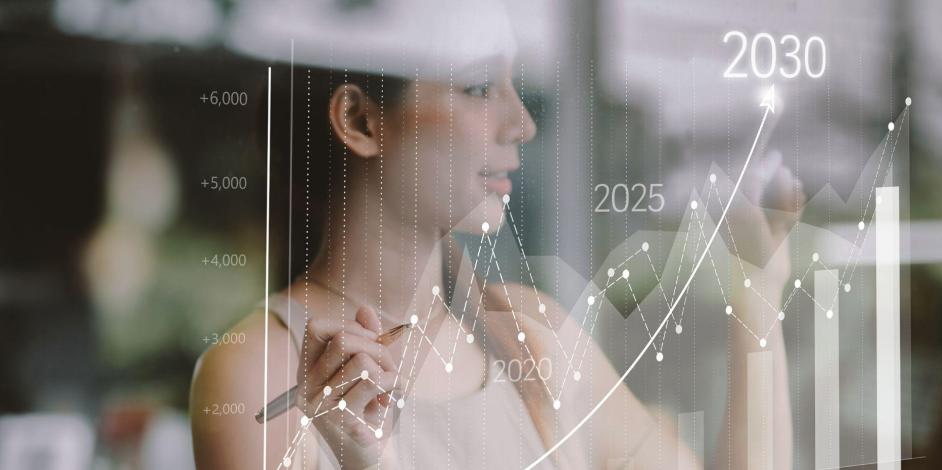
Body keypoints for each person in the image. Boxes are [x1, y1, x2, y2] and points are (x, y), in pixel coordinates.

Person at [190, 1, 800, 468]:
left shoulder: (532, 338)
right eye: (480, 88)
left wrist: (758, 289)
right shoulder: (257, 374)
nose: (522, 123)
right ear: (360, 119)